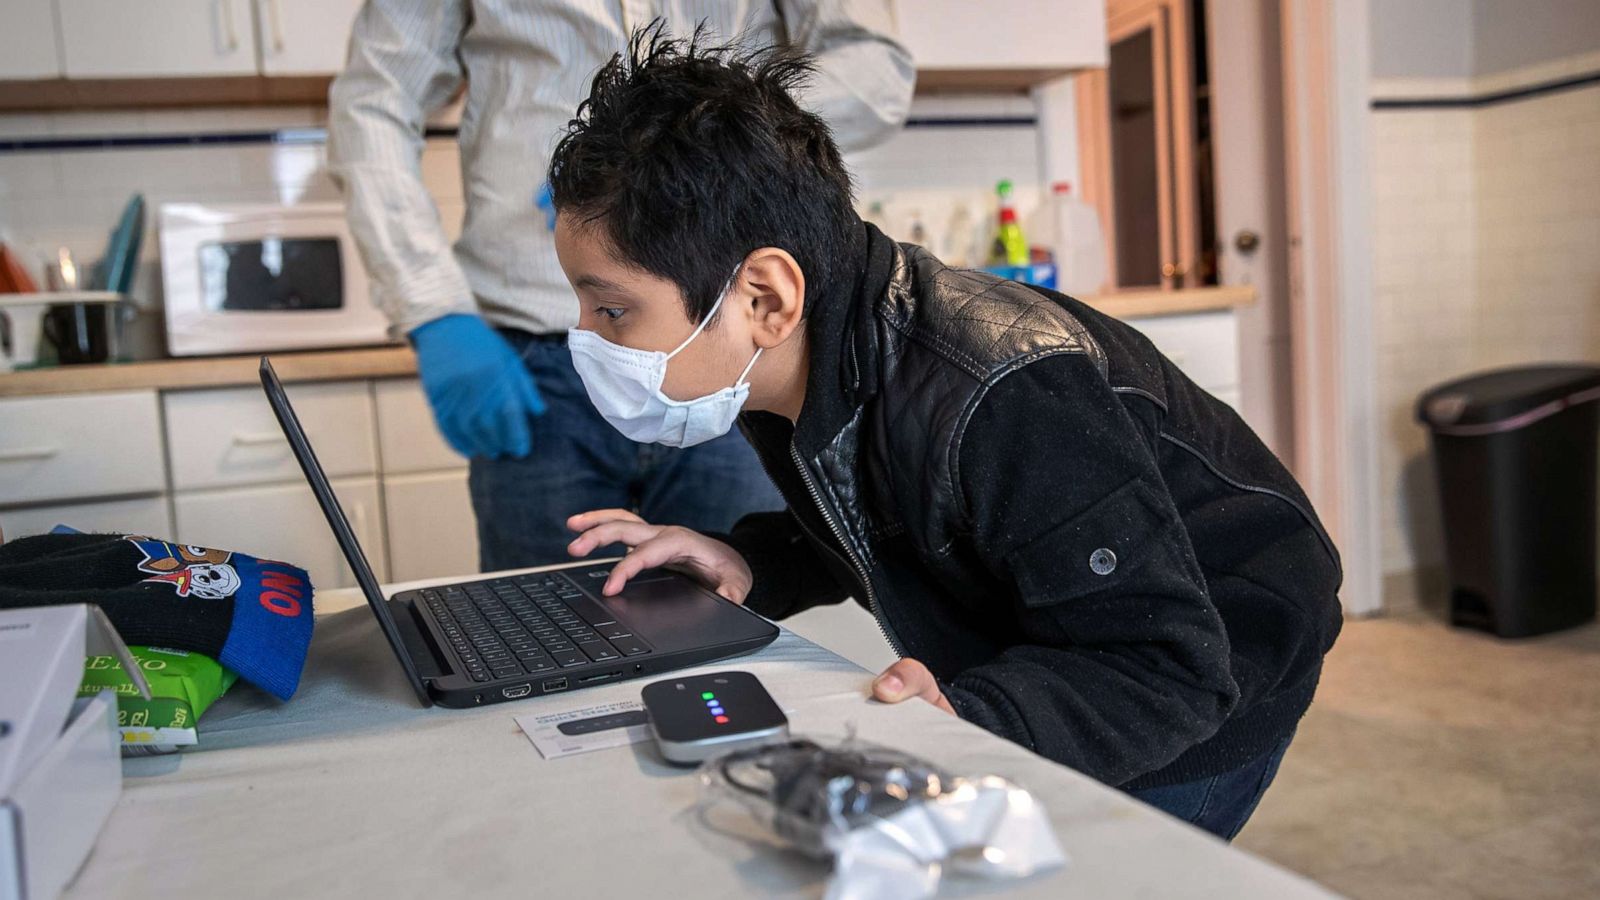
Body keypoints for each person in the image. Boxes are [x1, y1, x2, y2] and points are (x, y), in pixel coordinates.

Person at [552, 30, 1344, 841]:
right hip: (1070, 650)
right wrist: (755, 560)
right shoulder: (788, 355)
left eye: (612, 309)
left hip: (1196, 687)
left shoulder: (1005, 390)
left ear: (763, 295)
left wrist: (962, 720)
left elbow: (1166, 669)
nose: (583, 337)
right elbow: (886, 506)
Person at [328, 3, 914, 569]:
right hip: (532, 364)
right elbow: (374, 100)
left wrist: (694, 149)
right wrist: (433, 310)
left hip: (728, 360)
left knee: (734, 613)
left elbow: (875, 71)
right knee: (545, 640)